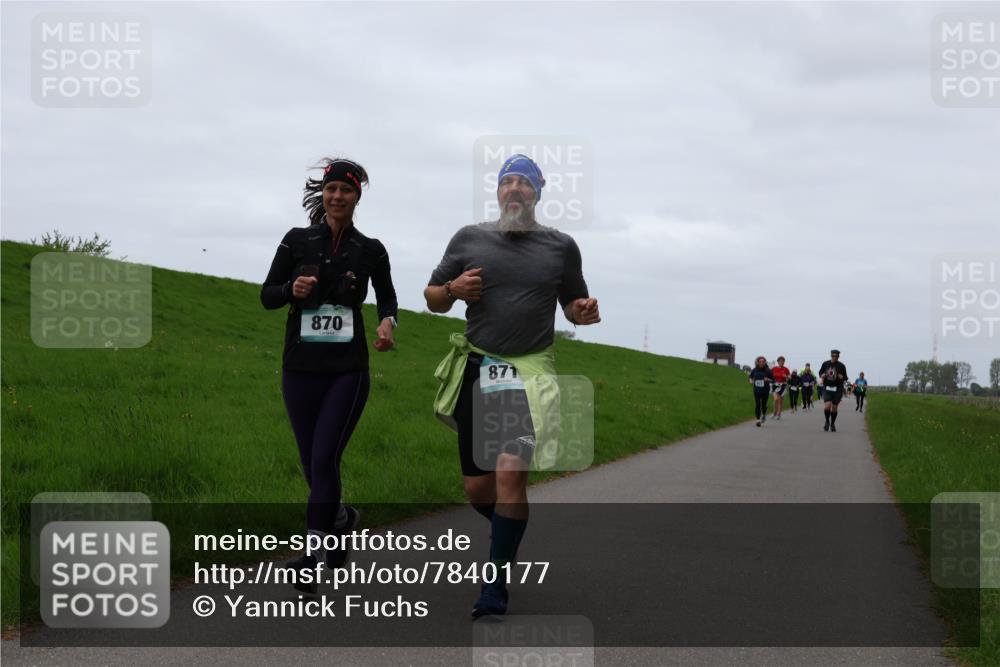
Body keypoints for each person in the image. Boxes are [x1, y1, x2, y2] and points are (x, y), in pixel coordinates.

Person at [425, 154, 599, 619]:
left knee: (509, 475)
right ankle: (508, 526)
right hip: (478, 368)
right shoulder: (468, 238)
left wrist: (581, 312)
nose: (515, 188)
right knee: (478, 489)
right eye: (508, 182)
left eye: (525, 182)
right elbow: (433, 298)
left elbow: (573, 302)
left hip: (528, 372)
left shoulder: (561, 246)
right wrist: (453, 289)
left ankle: (494, 585)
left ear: (538, 192)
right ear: (498, 191)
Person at [261, 158, 398, 592]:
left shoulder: (371, 249)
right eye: (331, 189)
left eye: (346, 190)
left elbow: (388, 298)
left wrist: (387, 323)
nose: (337, 196)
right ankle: (341, 519)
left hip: (347, 371)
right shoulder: (296, 240)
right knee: (311, 463)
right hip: (299, 367)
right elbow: (267, 295)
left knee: (324, 459)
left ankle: (312, 557)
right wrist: (291, 290)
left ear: (357, 197)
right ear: (322, 194)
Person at [818, 349, 848, 432]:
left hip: (838, 388)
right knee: (827, 405)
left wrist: (842, 377)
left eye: (836, 356)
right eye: (833, 356)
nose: (834, 357)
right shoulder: (825, 363)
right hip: (827, 387)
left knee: (834, 407)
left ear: (838, 357)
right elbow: (820, 373)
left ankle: (832, 423)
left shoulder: (841, 366)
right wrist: (822, 375)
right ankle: (827, 421)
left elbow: (846, 377)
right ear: (831, 356)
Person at [748, 356, 774, 427]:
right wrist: (750, 380)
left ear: (765, 362)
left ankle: (764, 414)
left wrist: (768, 380)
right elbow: (750, 376)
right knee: (757, 404)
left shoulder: (768, 370)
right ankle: (758, 419)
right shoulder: (755, 370)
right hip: (756, 390)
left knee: (763, 405)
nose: (761, 363)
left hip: (765, 390)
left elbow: (773, 380)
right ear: (758, 362)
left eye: (763, 362)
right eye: (760, 362)